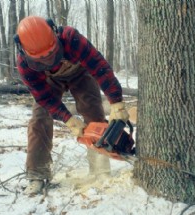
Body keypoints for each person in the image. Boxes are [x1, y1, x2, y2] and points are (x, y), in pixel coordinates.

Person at [15, 16, 129, 196]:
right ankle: (37, 174)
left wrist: (116, 102)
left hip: (79, 72)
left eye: (51, 53)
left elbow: (99, 67)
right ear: (25, 52)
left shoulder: (71, 38)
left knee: (93, 111)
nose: (47, 60)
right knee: (39, 118)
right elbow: (43, 97)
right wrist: (68, 119)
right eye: (41, 59)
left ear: (54, 33)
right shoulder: (24, 64)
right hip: (48, 81)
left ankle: (100, 169)